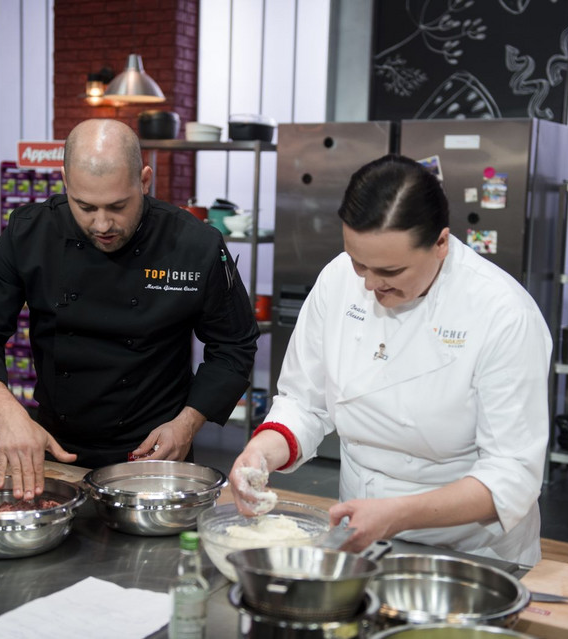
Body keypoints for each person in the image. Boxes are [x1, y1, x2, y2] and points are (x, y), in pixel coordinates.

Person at [229, 154, 551, 566]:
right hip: (361, 535)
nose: (369, 283)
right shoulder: (337, 281)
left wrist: (396, 513)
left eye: (390, 270)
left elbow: (512, 476)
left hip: (470, 551)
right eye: (358, 262)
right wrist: (260, 453)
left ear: (441, 243)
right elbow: (304, 401)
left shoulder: (503, 314)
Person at [0, 119, 259, 500]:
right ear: (65, 181)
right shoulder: (29, 233)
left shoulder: (195, 245)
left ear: (145, 181)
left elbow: (234, 345)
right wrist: (10, 416)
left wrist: (187, 424)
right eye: (85, 206)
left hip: (155, 454)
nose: (102, 224)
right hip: (52, 450)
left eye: (117, 206)